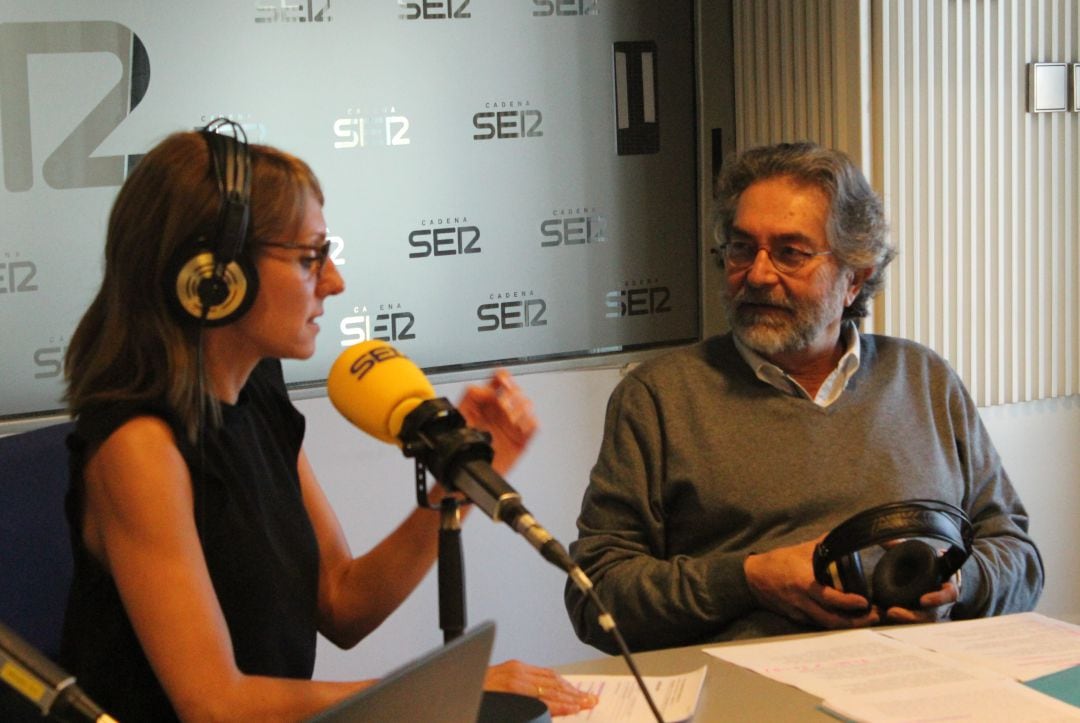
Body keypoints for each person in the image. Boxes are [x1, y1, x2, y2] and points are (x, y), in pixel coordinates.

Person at [60, 122, 597, 721]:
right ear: (216, 278)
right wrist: (453, 693)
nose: (335, 282)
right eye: (310, 258)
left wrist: (462, 481)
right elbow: (216, 705)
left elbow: (343, 603)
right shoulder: (139, 449)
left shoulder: (256, 393)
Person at [564, 141, 1044, 654]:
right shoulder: (660, 397)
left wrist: (959, 585)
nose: (757, 274)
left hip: (920, 685)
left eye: (790, 253)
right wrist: (746, 580)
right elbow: (596, 596)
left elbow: (1018, 556)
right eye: (742, 248)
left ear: (854, 279)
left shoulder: (924, 378)